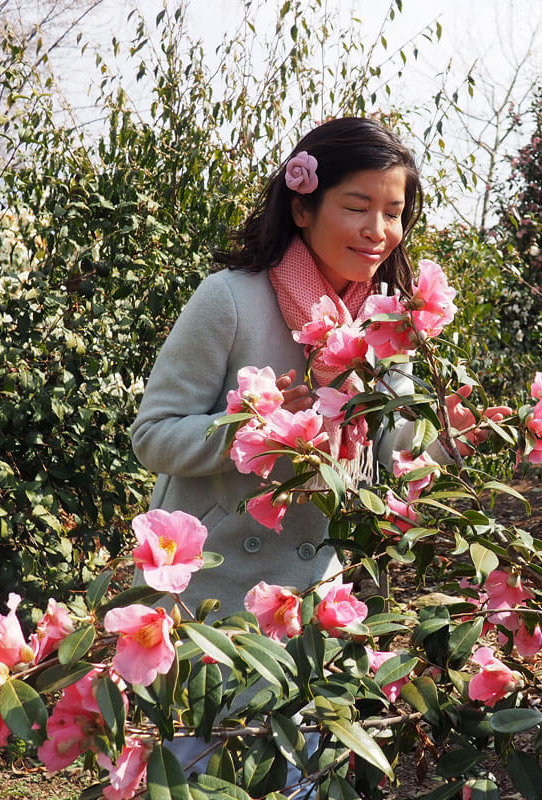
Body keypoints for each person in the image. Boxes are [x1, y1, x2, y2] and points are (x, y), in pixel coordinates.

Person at [130, 117, 424, 621]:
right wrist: (246, 433)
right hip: (207, 593)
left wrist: (457, 430)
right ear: (301, 207)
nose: (378, 231)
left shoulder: (388, 321)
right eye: (357, 208)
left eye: (392, 213)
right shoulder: (229, 299)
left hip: (318, 596)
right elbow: (152, 436)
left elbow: (394, 453)